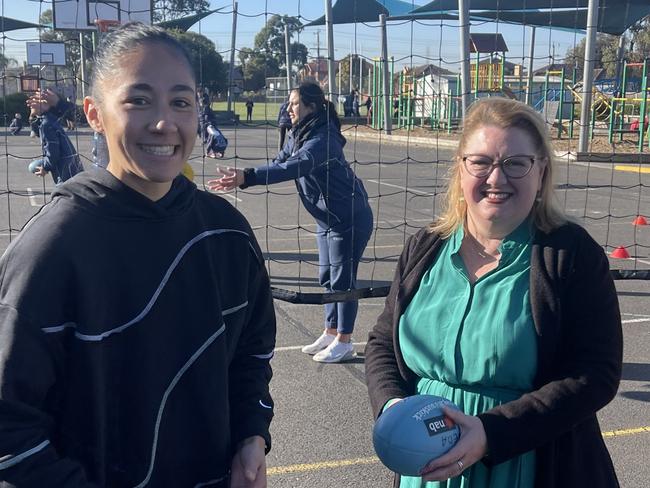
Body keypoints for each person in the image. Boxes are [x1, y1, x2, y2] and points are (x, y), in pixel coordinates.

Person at [0, 22, 275, 488]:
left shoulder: (227, 233)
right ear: (94, 114)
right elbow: (10, 429)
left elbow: (251, 354)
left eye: (181, 102)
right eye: (139, 100)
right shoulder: (53, 248)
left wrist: (251, 434)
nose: (164, 122)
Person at [365, 97, 622, 487]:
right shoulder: (425, 247)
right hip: (428, 467)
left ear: (541, 172)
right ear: (461, 169)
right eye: (481, 162)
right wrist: (394, 406)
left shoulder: (571, 255)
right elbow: (383, 341)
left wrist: (491, 432)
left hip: (526, 461)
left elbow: (595, 374)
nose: (496, 179)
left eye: (515, 164)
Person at [209, 81, 373, 364]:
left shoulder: (324, 139)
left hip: (348, 218)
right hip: (328, 219)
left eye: (294, 103)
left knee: (342, 280)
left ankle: (344, 341)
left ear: (311, 106)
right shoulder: (298, 134)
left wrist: (248, 177)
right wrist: (245, 175)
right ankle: (330, 330)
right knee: (327, 277)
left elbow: (294, 167)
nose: (289, 108)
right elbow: (280, 161)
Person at [26, 90, 84, 184]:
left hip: (66, 172)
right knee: (33, 166)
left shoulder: (47, 125)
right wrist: (32, 116)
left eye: (38, 101)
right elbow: (37, 133)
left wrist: (45, 167)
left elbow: (53, 152)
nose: (33, 105)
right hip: (72, 167)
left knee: (33, 167)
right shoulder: (50, 120)